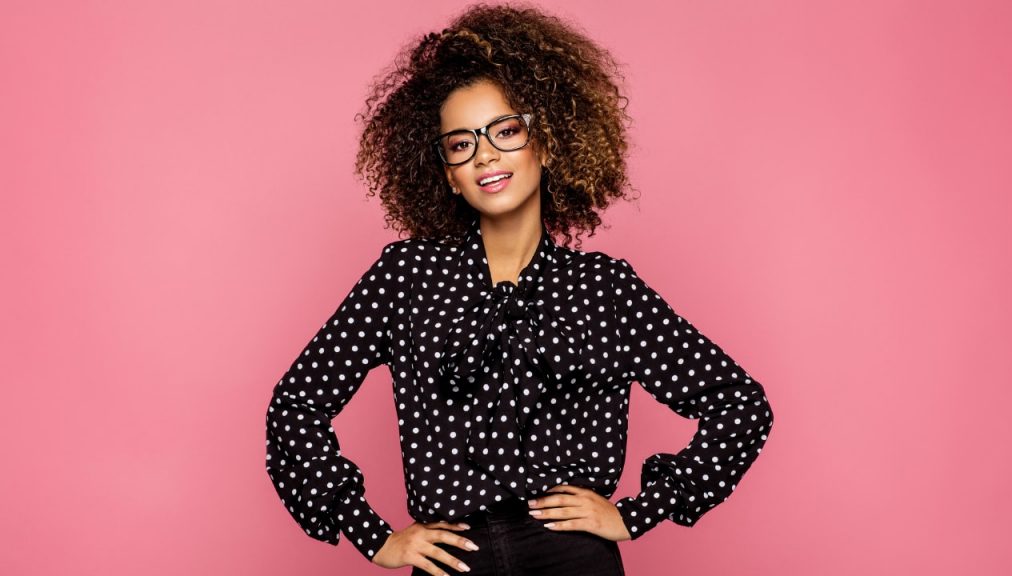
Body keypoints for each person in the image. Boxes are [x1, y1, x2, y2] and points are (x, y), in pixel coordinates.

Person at [264, 3, 774, 575]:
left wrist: (639, 512)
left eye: (506, 131)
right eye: (460, 144)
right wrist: (373, 535)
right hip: (451, 562)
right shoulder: (406, 278)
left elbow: (739, 406)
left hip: (572, 560)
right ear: (449, 176)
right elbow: (296, 406)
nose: (484, 154)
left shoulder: (604, 289)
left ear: (548, 144)